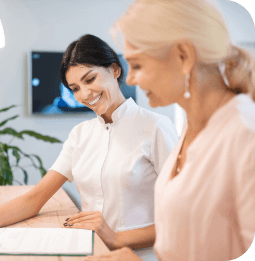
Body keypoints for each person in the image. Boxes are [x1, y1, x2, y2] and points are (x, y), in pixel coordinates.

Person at [0, 34, 178, 260]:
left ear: (115, 70)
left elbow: (183, 218)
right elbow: (34, 199)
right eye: (75, 88)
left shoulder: (156, 127)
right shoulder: (80, 135)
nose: (84, 95)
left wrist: (115, 238)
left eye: (90, 79)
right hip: (90, 253)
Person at [86, 0, 255, 261]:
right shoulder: (193, 127)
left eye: (138, 65)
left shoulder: (245, 133)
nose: (129, 79)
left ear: (183, 56)